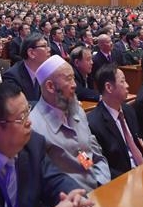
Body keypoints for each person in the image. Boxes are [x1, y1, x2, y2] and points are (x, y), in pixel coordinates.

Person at [28, 56, 110, 191]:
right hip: (71, 201)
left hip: (99, 189)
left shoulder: (77, 112)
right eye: (68, 79)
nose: (75, 84)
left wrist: (100, 181)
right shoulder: (35, 127)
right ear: (50, 86)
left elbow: (90, 154)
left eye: (73, 77)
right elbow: (46, 183)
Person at [88, 64, 143, 178]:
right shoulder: (93, 124)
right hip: (122, 181)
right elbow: (100, 167)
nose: (127, 85)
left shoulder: (129, 110)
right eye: (123, 81)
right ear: (109, 87)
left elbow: (142, 144)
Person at [3, 33, 50, 103]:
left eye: (48, 46)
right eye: (44, 46)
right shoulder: (12, 77)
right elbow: (18, 106)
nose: (49, 49)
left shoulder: (47, 70)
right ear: (31, 53)